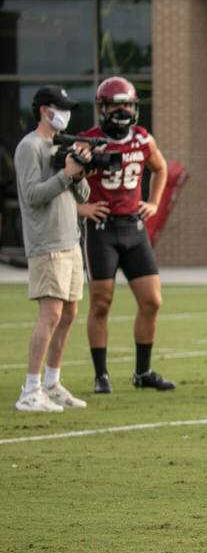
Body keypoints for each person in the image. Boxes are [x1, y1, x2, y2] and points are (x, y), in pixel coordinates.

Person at [78, 77, 175, 394]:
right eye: (116, 105)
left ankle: (142, 372)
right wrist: (82, 208)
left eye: (127, 105)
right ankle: (101, 375)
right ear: (102, 108)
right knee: (101, 304)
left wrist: (155, 202)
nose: (122, 111)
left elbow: (161, 168)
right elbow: (63, 180)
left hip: (134, 228)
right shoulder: (88, 141)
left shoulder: (143, 139)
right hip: (102, 230)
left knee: (152, 301)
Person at [14, 85, 95, 413]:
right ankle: (30, 390)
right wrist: (66, 173)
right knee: (50, 315)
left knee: (69, 313)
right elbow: (32, 195)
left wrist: (79, 173)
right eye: (59, 108)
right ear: (44, 110)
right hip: (46, 243)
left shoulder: (61, 145)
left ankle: (51, 383)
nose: (64, 113)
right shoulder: (29, 146)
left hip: (69, 240)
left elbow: (84, 196)